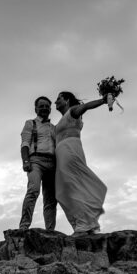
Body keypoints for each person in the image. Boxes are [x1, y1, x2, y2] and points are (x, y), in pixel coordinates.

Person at [53, 91, 108, 236]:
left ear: (66, 100)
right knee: (62, 191)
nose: (55, 102)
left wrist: (103, 100)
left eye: (58, 99)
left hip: (70, 150)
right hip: (62, 152)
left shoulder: (72, 112)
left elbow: (87, 106)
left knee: (73, 186)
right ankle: (82, 223)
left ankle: (83, 226)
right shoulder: (62, 119)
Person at [19, 96, 57, 230]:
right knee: (33, 191)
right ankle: (24, 226)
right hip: (35, 161)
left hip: (52, 163)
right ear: (36, 109)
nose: (45, 108)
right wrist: (25, 161)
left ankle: (50, 230)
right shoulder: (30, 123)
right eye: (41, 106)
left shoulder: (54, 127)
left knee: (51, 199)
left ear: (50, 109)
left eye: (47, 106)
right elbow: (24, 144)